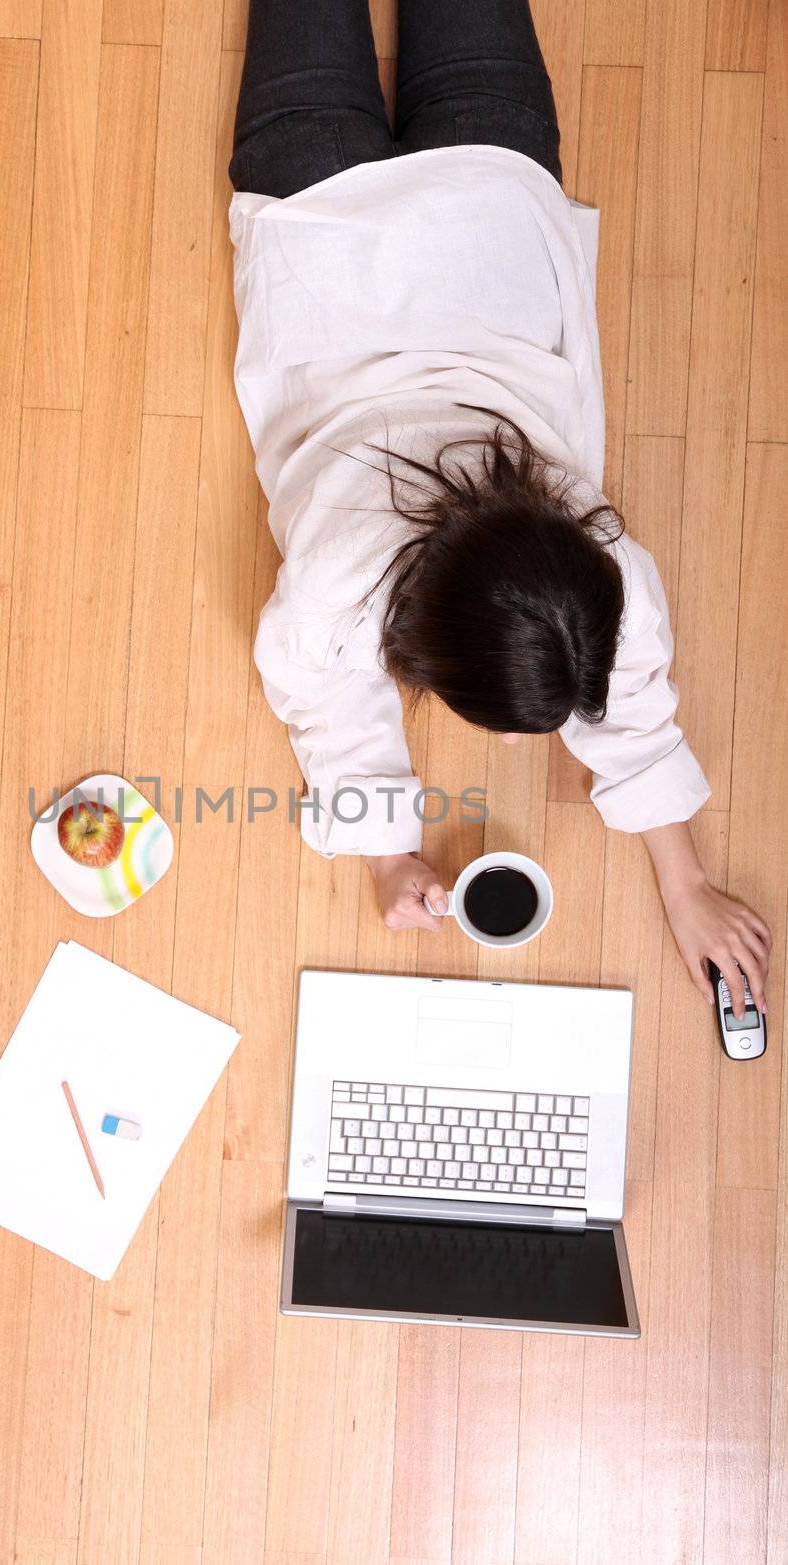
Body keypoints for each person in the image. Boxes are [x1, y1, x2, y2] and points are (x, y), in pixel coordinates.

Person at [226, 0, 772, 1019]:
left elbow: (621, 687)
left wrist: (686, 883)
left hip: (490, 188)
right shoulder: (334, 591)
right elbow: (328, 703)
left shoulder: (600, 559)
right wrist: (387, 859)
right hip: (313, 208)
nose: (525, 743)